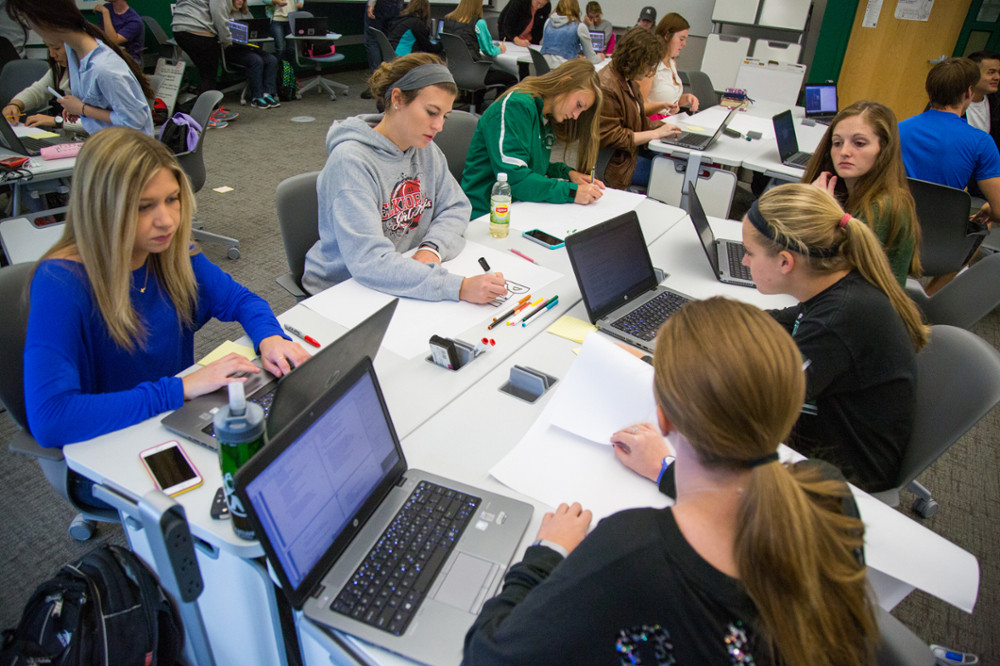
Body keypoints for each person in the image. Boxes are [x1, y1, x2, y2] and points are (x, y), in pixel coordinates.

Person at [464, 297, 878, 665]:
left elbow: (487, 655)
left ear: (661, 417)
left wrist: (546, 553)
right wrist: (665, 471)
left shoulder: (635, 551)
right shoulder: (828, 491)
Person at [23, 127, 310, 451]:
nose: (167, 221)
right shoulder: (60, 283)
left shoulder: (170, 251)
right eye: (144, 207)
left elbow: (241, 300)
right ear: (102, 209)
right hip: (111, 441)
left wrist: (269, 337)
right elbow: (51, 419)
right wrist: (180, 388)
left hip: (174, 417)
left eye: (172, 199)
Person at [740, 183, 928, 493]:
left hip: (840, 480)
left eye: (749, 253)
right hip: (824, 439)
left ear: (786, 262)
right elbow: (777, 323)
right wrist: (705, 322)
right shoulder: (836, 284)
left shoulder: (836, 322)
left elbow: (758, 404)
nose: (745, 262)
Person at [302, 54, 507, 304]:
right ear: (397, 99)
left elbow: (456, 206)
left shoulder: (423, 148)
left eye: (445, 116)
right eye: (432, 112)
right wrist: (457, 287)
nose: (439, 126)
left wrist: (432, 248)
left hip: (400, 274)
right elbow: (369, 262)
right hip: (345, 291)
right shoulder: (351, 161)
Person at [461, 58, 605, 218]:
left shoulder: (544, 115)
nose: (576, 116)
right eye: (578, 105)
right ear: (564, 83)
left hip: (517, 208)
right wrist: (572, 192)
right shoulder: (516, 107)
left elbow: (531, 165)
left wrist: (567, 174)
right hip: (485, 215)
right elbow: (514, 179)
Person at [802, 100, 921, 287]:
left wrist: (817, 211)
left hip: (862, 310)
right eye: (837, 143)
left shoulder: (883, 206)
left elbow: (827, 269)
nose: (844, 152)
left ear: (883, 149)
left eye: (859, 143)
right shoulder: (849, 194)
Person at [6, 0, 153, 136]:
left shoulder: (103, 68)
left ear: (48, 23)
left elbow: (134, 122)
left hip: (129, 154)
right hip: (105, 145)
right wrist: (81, 111)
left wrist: (83, 109)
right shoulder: (74, 54)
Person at [898, 57, 1000, 223]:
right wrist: (989, 209)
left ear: (929, 91)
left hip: (894, 225)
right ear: (969, 92)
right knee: (983, 224)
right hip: (940, 233)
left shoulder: (896, 129)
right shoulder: (982, 142)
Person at [598, 27, 681, 190]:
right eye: (649, 66)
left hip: (629, 153)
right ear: (636, 60)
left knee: (675, 163)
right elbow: (612, 137)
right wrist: (656, 133)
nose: (650, 72)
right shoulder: (607, 87)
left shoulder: (627, 80)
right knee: (672, 174)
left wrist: (666, 128)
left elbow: (638, 121)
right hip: (614, 163)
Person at [442, 0, 517, 109]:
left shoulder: (448, 19)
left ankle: (476, 106)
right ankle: (495, 112)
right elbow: (489, 50)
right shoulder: (478, 23)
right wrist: (500, 49)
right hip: (474, 74)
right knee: (511, 79)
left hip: (453, 73)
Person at [2, 40, 85, 135]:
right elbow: (37, 91)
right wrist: (15, 104)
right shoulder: (62, 68)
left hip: (98, 143)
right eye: (49, 48)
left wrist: (57, 121)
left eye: (57, 48)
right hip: (74, 141)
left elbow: (101, 123)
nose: (52, 54)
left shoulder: (96, 72)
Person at [645, 13, 699, 120]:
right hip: (652, 124)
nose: (684, 44)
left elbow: (670, 99)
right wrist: (662, 107)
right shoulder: (650, 65)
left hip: (668, 121)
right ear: (667, 36)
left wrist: (686, 98)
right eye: (681, 39)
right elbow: (638, 106)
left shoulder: (672, 63)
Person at [228, 0, 281, 109]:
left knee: (271, 59)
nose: (240, 1)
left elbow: (254, 30)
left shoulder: (246, 13)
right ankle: (256, 97)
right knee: (256, 60)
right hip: (234, 49)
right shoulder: (226, 13)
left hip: (250, 47)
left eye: (242, 0)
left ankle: (268, 93)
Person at [539, 0, 603, 69]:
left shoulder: (548, 22)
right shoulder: (579, 26)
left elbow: (548, 48)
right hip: (564, 73)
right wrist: (601, 57)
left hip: (544, 71)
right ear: (576, 8)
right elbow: (591, 59)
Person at [362, 0, 403, 98]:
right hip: (396, 5)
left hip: (380, 4)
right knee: (389, 41)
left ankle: (377, 83)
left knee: (372, 40)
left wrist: (371, 4)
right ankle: (390, 80)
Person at [966, 50, 1000, 149]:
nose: (997, 77)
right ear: (972, 74)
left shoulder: (996, 103)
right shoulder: (948, 102)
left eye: (998, 72)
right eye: (991, 72)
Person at [94, 0, 144, 65]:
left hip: (128, 60)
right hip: (108, 54)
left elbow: (113, 40)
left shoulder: (134, 21)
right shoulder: (108, 7)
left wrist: (105, 13)